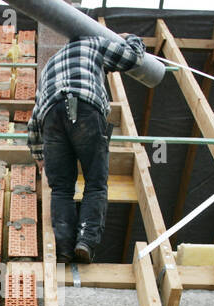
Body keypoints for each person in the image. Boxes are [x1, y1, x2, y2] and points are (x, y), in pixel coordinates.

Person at [26, 32, 147, 263]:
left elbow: (33, 122)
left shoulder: (49, 66)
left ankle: (64, 248)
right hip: (85, 109)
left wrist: (40, 155)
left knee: (61, 189)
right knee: (95, 183)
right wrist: (131, 38)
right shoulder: (95, 43)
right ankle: (86, 240)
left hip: (52, 119)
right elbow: (132, 59)